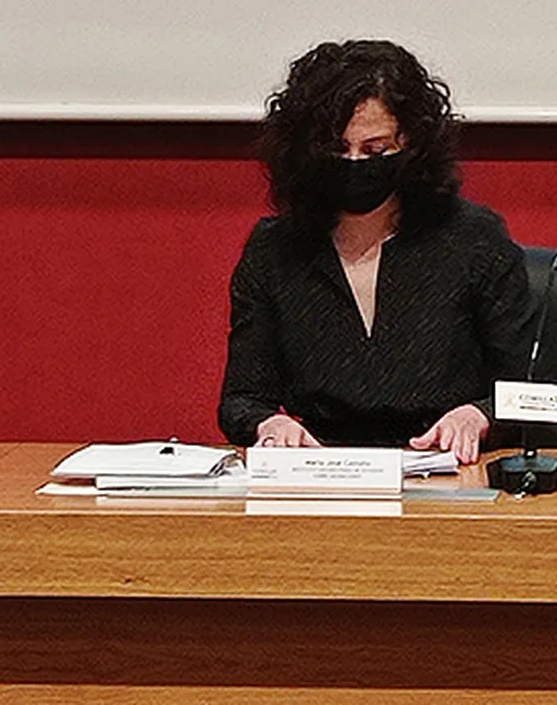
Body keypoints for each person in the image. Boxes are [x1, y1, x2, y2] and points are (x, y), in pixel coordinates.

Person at [218, 40, 532, 464]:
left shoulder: (474, 239)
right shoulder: (275, 250)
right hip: (322, 471)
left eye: (375, 150)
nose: (354, 162)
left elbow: (528, 392)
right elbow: (242, 399)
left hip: (446, 468)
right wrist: (269, 424)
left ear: (413, 144)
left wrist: (479, 416)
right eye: (336, 149)